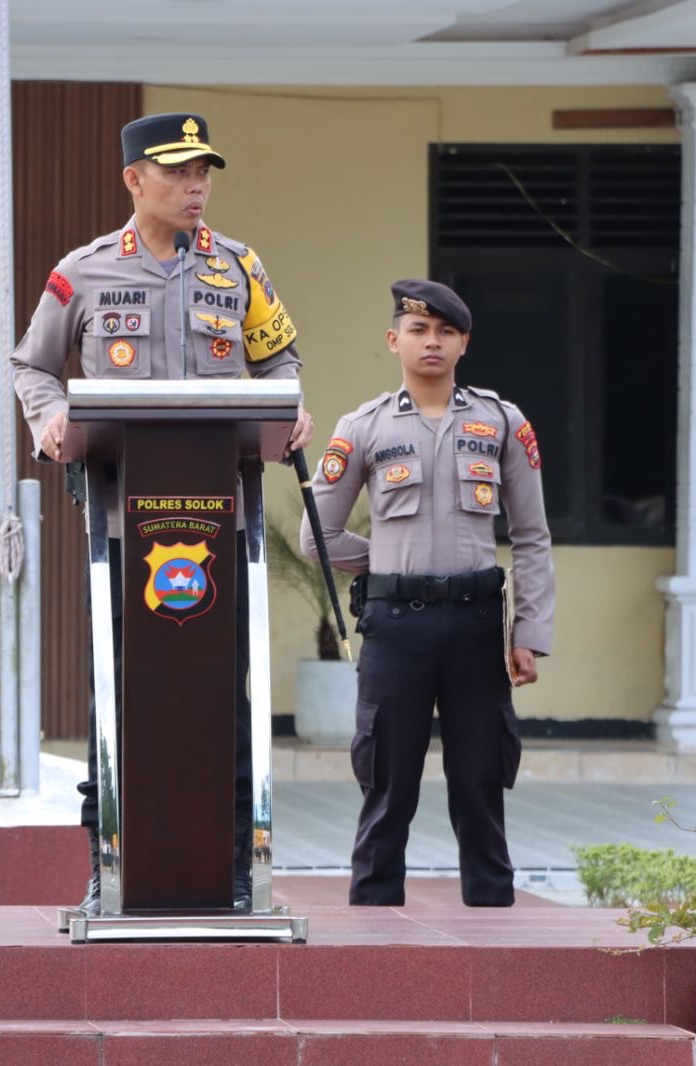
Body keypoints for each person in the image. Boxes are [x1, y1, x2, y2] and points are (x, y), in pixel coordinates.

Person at [11, 112, 313, 915]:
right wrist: (49, 421)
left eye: (204, 173)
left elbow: (278, 356)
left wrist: (291, 405)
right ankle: (106, 863)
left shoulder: (239, 268)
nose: (196, 187)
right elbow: (32, 364)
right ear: (134, 181)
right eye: (179, 173)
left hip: (218, 528)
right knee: (118, 700)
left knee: (230, 701)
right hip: (122, 528)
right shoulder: (83, 272)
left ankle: (238, 867)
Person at [299, 279, 553, 907]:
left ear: (464, 341)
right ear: (394, 341)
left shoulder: (502, 423)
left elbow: (531, 537)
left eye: (444, 331)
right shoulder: (364, 427)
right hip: (396, 625)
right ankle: (374, 928)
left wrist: (529, 634)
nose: (431, 342)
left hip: (475, 626)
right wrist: (385, 564)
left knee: (480, 781)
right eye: (417, 330)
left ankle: (493, 920)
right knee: (388, 784)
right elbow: (318, 536)